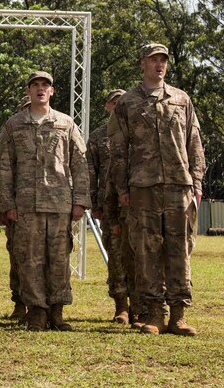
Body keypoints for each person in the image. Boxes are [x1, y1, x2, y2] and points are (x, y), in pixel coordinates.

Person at [108, 43, 205, 336]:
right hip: (142, 187)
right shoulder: (127, 102)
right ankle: (154, 314)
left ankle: (178, 315)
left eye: (163, 60)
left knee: (180, 250)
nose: (159, 65)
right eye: (154, 60)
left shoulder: (181, 99)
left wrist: (197, 183)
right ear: (143, 64)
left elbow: (194, 142)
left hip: (179, 186)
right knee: (146, 251)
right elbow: (118, 149)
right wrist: (122, 187)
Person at [0, 71, 90, 332]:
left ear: (52, 91)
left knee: (60, 258)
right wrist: (7, 203)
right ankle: (36, 311)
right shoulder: (14, 125)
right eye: (35, 85)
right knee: (29, 259)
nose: (40, 89)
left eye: (45, 86)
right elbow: (4, 167)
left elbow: (80, 164)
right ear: (28, 91)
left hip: (60, 204)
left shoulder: (66, 123)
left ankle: (57, 312)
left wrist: (80, 200)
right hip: (26, 205)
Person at [87, 89, 130, 324]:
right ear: (107, 107)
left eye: (122, 102)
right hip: (110, 205)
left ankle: (143, 305)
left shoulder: (138, 131)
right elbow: (90, 172)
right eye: (115, 103)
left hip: (138, 204)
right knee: (115, 254)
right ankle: (121, 306)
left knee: (141, 255)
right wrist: (94, 204)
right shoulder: (98, 136)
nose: (118, 106)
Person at [0, 95, 30, 321]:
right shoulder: (12, 132)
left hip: (42, 204)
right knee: (18, 257)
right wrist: (1, 206)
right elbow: (0, 172)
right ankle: (19, 302)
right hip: (17, 205)